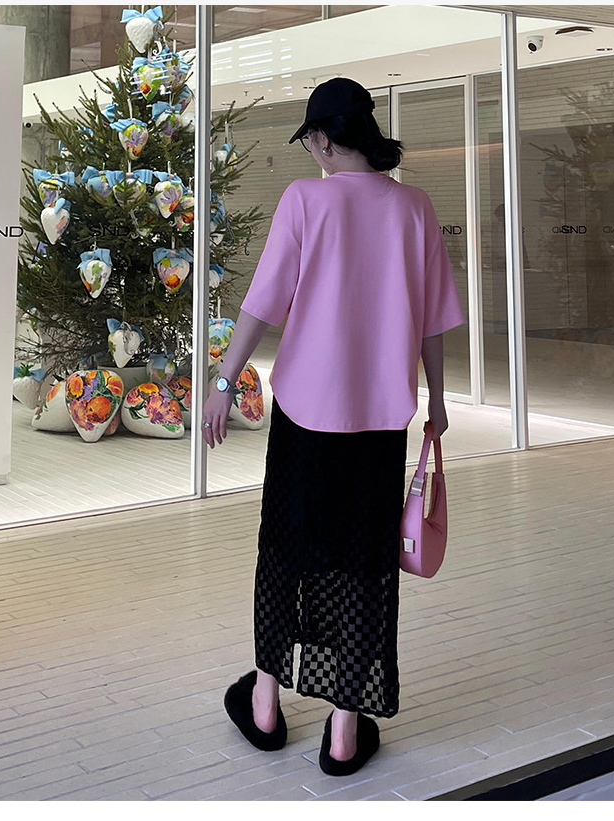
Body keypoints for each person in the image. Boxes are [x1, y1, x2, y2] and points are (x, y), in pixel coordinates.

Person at [202, 78, 466, 776]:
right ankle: (344, 731)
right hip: (379, 423)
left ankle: (266, 705)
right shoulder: (414, 207)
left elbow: (263, 304)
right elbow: (433, 320)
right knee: (363, 563)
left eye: (311, 142)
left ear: (322, 139)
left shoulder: (304, 200)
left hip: (306, 419)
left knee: (287, 552)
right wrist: (439, 400)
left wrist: (224, 383)